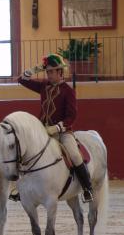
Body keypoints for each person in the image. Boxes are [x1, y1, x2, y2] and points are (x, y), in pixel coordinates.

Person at [12, 53, 93, 203]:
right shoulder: (44, 86)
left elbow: (72, 116)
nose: (48, 74)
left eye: (51, 71)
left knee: (75, 155)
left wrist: (58, 128)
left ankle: (87, 188)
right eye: (47, 71)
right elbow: (21, 79)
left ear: (60, 72)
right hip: (42, 131)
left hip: (62, 132)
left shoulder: (68, 91)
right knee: (24, 151)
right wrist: (36, 68)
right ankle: (22, 188)